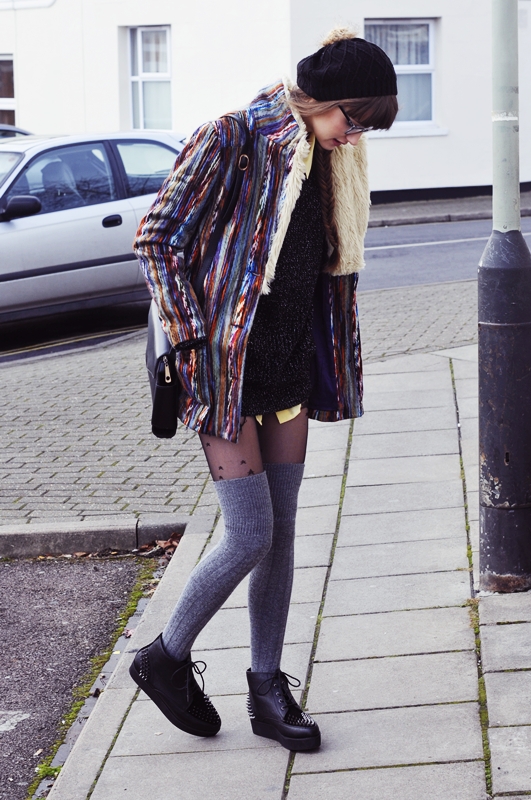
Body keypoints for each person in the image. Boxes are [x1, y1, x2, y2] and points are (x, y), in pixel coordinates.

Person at [130, 27, 398, 752]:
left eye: (365, 127)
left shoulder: (328, 160)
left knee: (281, 534)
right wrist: (191, 336)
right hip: (222, 370)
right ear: (319, 99)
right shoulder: (231, 139)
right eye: (353, 120)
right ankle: (164, 657)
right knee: (249, 534)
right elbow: (157, 238)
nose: (355, 137)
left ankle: (267, 686)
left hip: (288, 369)